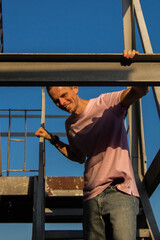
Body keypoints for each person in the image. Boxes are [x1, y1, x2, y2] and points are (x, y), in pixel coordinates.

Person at [35, 50, 149, 240]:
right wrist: (53, 139)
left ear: (75, 88)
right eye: (56, 101)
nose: (62, 103)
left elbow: (140, 90)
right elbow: (79, 156)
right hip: (91, 196)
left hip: (119, 191)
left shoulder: (106, 103)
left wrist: (134, 65)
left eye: (64, 95)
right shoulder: (69, 125)